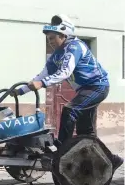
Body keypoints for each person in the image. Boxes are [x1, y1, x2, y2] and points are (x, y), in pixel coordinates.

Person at [13, 14, 123, 172]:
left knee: (70, 110)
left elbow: (65, 72)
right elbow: (42, 74)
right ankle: (113, 159)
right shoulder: (56, 55)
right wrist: (21, 90)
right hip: (87, 89)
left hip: (97, 87)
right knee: (86, 131)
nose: (50, 42)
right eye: (48, 39)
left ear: (64, 35)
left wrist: (42, 84)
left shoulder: (74, 46)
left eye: (53, 38)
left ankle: (62, 150)